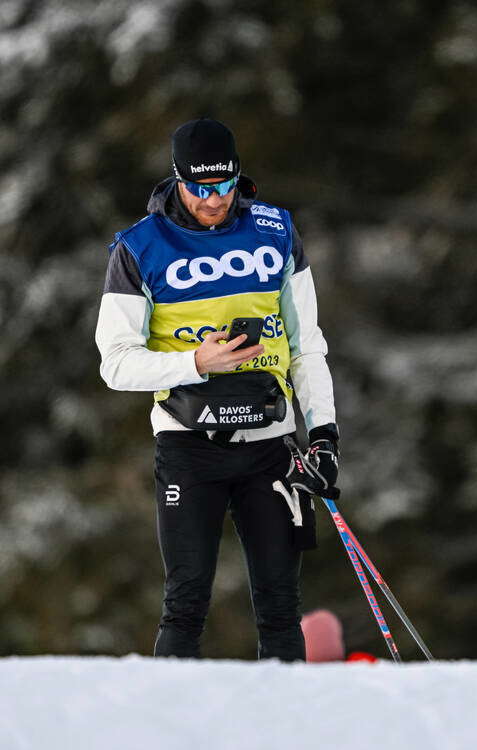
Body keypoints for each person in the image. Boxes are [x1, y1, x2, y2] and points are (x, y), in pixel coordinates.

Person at [95, 118, 341, 661]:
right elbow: (115, 365)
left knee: (280, 605)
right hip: (189, 446)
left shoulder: (275, 231)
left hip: (270, 445)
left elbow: (307, 346)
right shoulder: (139, 247)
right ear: (177, 180)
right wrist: (196, 363)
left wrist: (322, 434)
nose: (214, 200)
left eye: (224, 186)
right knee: (186, 602)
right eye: (200, 188)